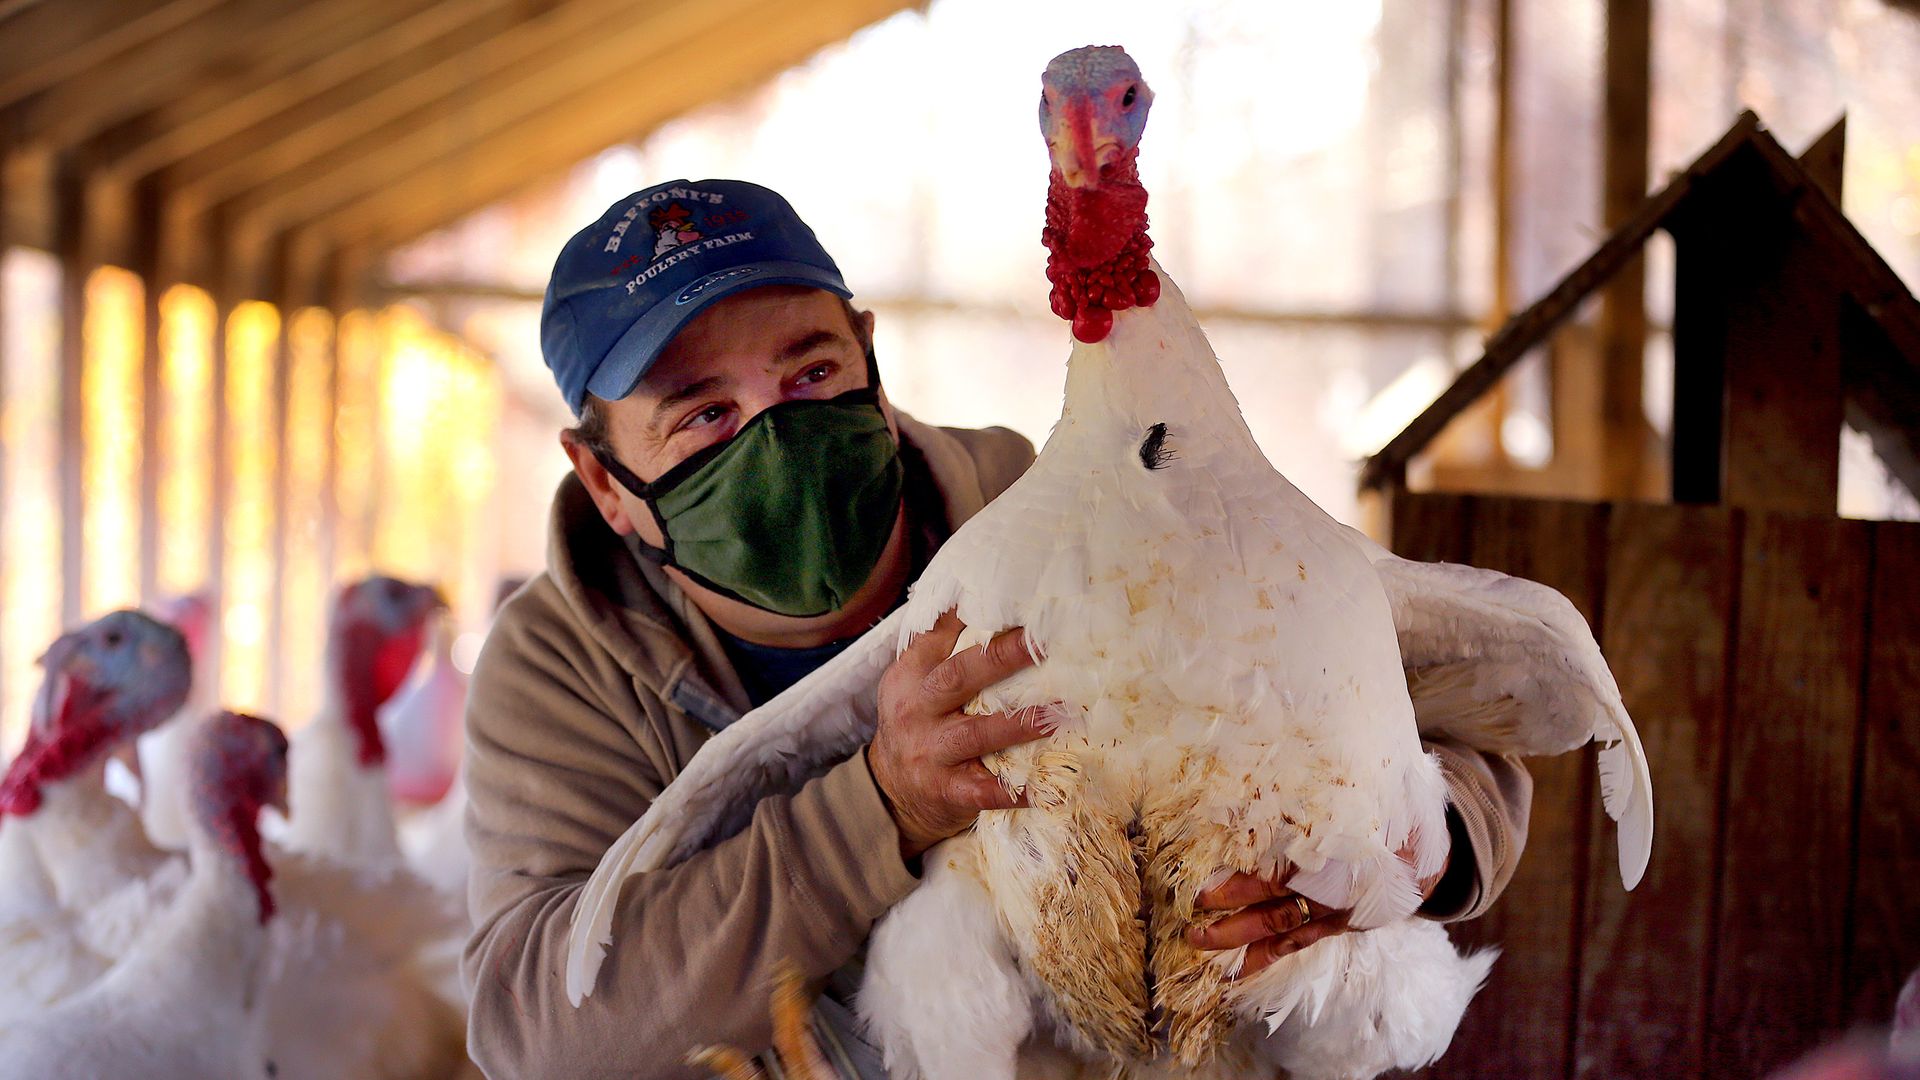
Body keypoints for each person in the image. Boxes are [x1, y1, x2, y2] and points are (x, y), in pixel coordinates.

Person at [461, 179, 1533, 1079]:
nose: (779, 435)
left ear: (870, 359)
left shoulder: (1065, 512)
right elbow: (539, 1029)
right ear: (603, 479)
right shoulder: (561, 663)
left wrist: (1394, 851)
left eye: (812, 372)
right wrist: (879, 807)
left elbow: (1453, 701)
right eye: (704, 413)